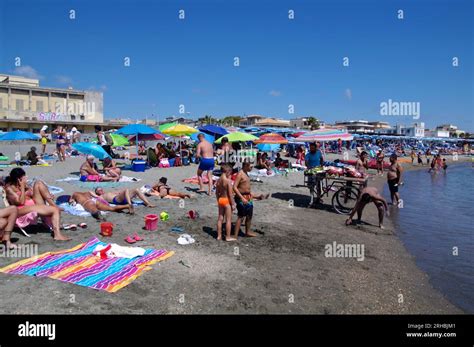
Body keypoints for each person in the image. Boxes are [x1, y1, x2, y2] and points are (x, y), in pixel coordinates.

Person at [4, 168, 70, 241]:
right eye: (24, 177)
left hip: (31, 206)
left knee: (38, 183)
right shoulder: (10, 189)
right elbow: (21, 202)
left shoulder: (24, 186)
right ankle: (57, 235)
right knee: (54, 210)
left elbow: (33, 194)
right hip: (20, 210)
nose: (26, 178)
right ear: (19, 179)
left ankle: (53, 205)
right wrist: (22, 187)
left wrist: (47, 195)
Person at [232, 161, 270, 239]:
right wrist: (242, 198)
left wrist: (257, 197)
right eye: (251, 167)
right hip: (241, 198)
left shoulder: (246, 173)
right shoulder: (240, 174)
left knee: (249, 216)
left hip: (248, 197)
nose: (252, 168)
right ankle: (235, 235)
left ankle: (247, 232)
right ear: (245, 165)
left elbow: (247, 190)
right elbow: (234, 187)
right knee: (241, 217)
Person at [215, 164, 236, 241]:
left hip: (221, 200)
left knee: (220, 218)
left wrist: (218, 201)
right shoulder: (228, 181)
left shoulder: (218, 181)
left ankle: (219, 236)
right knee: (228, 220)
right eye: (230, 173)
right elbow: (230, 195)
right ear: (228, 171)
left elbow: (217, 193)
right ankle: (228, 237)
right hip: (226, 200)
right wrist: (233, 204)